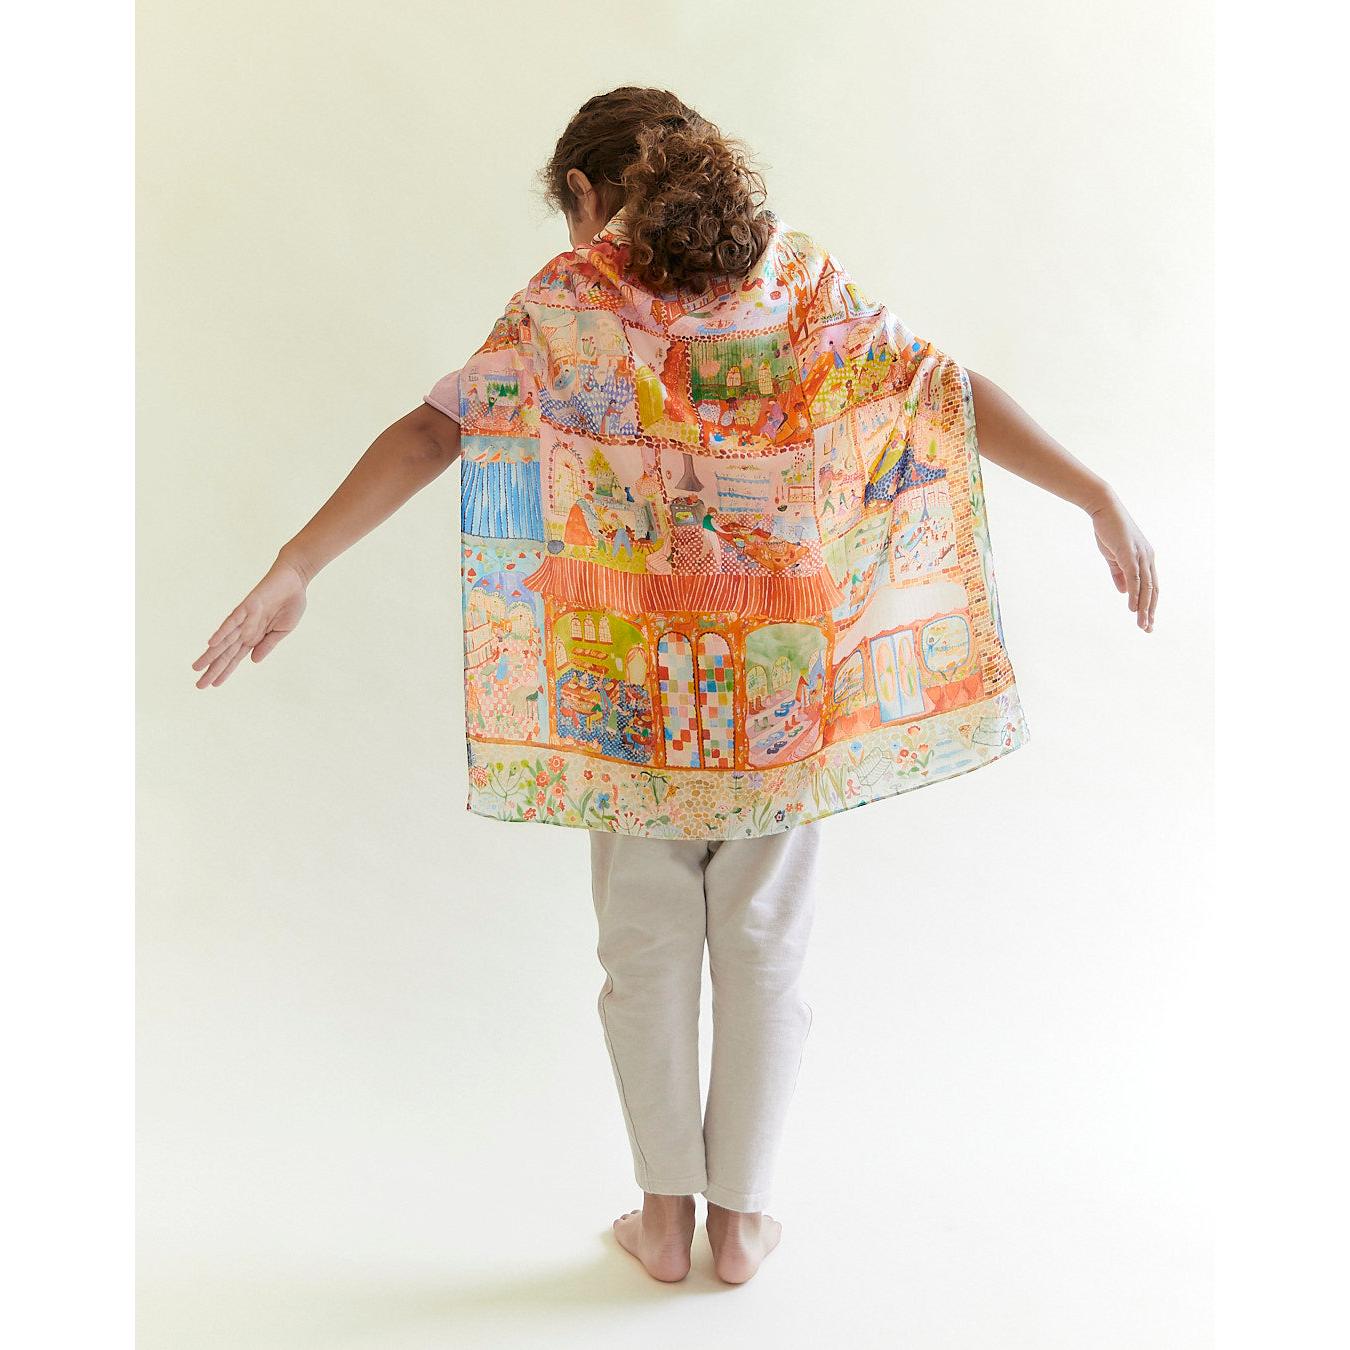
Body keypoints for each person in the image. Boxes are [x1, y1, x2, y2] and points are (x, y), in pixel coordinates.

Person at [192, 87, 1158, 1286]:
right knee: (765, 947)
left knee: (644, 950)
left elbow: (435, 432)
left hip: (627, 689)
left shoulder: (571, 299)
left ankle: (662, 1220)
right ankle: (740, 1225)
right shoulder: (797, 284)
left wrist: (297, 564)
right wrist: (1095, 493)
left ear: (586, 194)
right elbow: (942, 393)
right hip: (780, 694)